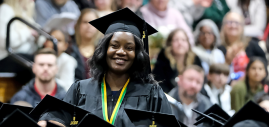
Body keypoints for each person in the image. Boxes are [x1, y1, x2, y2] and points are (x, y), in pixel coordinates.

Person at [37, 8, 172, 127]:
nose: (121, 51)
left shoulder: (152, 94)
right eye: (114, 45)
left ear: (137, 55)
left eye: (129, 48)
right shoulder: (80, 90)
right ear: (104, 50)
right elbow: (57, 120)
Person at [0, 0, 37, 84]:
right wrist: (28, 33)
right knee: (38, 63)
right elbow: (4, 41)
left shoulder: (24, 12)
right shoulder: (5, 10)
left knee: (44, 59)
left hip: (20, 57)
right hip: (2, 59)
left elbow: (37, 31)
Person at [218, 12, 266, 81]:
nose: (233, 25)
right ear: (223, 26)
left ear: (242, 27)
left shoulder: (252, 45)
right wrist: (227, 60)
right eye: (229, 22)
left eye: (237, 23)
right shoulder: (219, 48)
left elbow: (263, 64)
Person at [153, 29, 202, 93]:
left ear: (188, 44)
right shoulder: (163, 60)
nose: (180, 43)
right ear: (170, 43)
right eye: (176, 40)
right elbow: (159, 85)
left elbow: (200, 81)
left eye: (183, 40)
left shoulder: (195, 60)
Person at [72, 8, 100, 79]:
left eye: (93, 22)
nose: (89, 26)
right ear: (78, 25)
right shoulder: (70, 51)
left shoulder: (104, 51)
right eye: (85, 22)